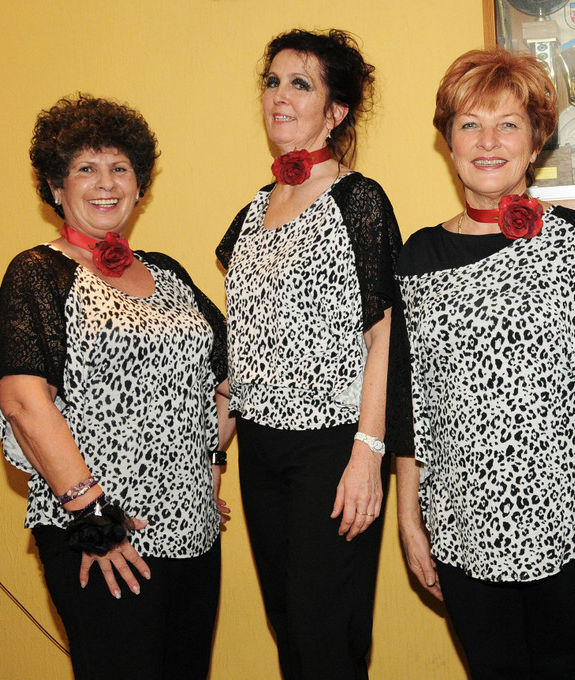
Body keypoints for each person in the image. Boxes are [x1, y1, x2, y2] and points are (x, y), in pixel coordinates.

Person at [0, 94, 232, 679]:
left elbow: (229, 376)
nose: (106, 183)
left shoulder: (167, 272)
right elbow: (23, 401)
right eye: (86, 168)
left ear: (139, 185)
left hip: (192, 532)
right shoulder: (39, 271)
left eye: (120, 167)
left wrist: (211, 463)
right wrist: (93, 517)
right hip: (100, 536)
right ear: (56, 187)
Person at [390, 48, 575, 679]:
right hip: (462, 516)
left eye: (508, 124)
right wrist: (410, 518)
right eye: (470, 124)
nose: (488, 142)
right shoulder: (419, 255)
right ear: (449, 142)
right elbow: (407, 401)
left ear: (536, 141)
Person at [215, 29, 401, 680]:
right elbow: (244, 351)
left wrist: (367, 454)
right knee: (290, 631)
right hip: (260, 451)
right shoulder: (251, 212)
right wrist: (215, 454)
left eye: (301, 84)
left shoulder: (359, 201)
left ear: (336, 110)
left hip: (334, 447)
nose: (280, 96)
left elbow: (384, 337)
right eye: (272, 82)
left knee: (327, 640)